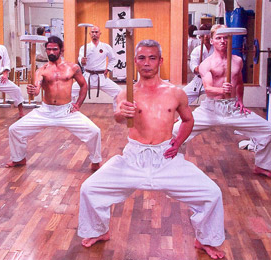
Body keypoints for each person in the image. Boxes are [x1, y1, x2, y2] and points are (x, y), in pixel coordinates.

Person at [78, 40, 225, 259]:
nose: (147, 63)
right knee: (89, 189)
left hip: (166, 158)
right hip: (132, 159)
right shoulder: (126, 93)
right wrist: (122, 113)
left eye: (152, 58)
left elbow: (187, 120)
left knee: (212, 193)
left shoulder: (175, 92)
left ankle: (205, 240)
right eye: (142, 58)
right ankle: (99, 231)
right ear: (135, 61)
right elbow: (118, 117)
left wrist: (178, 142)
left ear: (160, 61)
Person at [173, 24, 271, 177]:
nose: (222, 41)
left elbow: (238, 83)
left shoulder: (237, 60)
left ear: (229, 39)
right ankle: (174, 167)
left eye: (225, 37)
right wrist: (221, 90)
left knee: (268, 130)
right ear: (212, 41)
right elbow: (209, 88)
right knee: (175, 131)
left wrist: (240, 100)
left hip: (232, 108)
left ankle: (262, 165)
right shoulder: (207, 64)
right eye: (218, 38)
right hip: (211, 109)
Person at [6, 36, 102, 171]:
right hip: (45, 111)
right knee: (14, 130)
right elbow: (37, 89)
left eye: (54, 49)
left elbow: (83, 85)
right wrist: (34, 90)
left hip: (67, 111)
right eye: (48, 49)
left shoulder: (72, 67)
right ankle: (19, 159)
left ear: (61, 50)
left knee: (94, 131)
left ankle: (96, 160)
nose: (51, 52)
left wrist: (78, 104)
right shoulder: (41, 70)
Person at [72, 25, 121, 111]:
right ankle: (71, 111)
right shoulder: (84, 47)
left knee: (119, 92)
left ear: (100, 34)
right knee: (70, 91)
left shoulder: (106, 47)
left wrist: (108, 69)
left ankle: (117, 111)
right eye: (93, 32)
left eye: (96, 32)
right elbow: (80, 60)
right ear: (90, 34)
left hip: (101, 77)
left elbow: (113, 59)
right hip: (87, 77)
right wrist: (82, 61)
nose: (94, 34)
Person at [184, 24, 213, 104]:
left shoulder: (216, 49)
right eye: (203, 34)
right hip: (199, 79)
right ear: (200, 36)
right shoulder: (197, 51)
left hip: (214, 81)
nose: (206, 37)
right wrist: (201, 68)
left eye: (208, 34)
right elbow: (194, 68)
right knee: (182, 95)